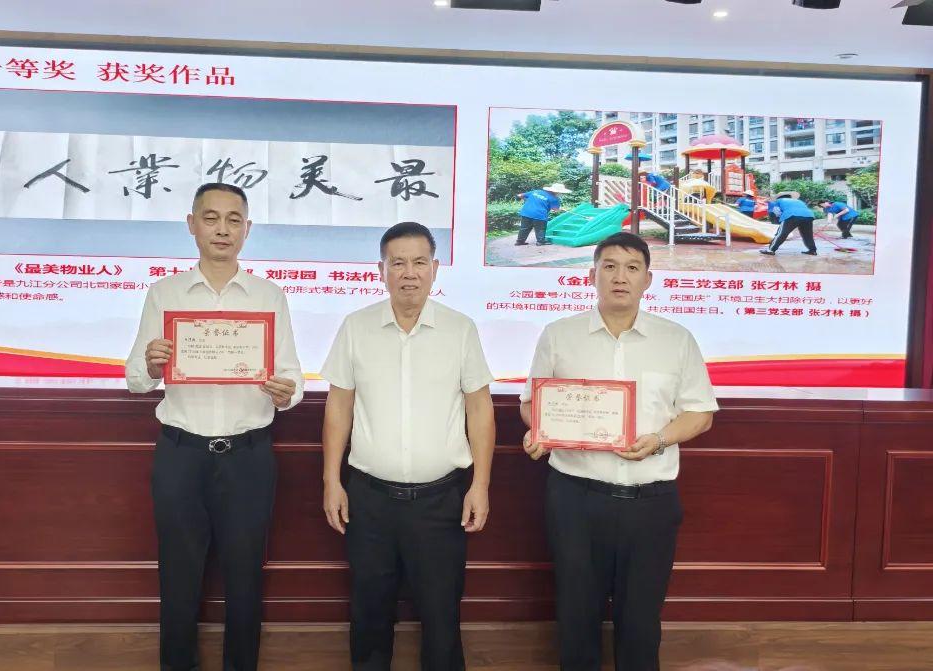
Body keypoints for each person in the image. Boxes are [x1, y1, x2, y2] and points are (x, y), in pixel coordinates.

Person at [126, 182, 304, 671]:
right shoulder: (164, 293)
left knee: (245, 577)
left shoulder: (269, 296)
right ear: (192, 225)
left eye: (233, 219)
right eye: (211, 218)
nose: (222, 229)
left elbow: (293, 380)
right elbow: (136, 380)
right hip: (180, 455)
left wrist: (286, 392)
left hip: (248, 456)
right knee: (178, 577)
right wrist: (151, 363)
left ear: (247, 229)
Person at [520, 231, 718, 671]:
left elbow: (700, 413)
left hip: (650, 501)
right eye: (609, 267)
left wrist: (659, 440)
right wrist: (539, 432)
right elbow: (532, 404)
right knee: (576, 614)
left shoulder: (676, 339)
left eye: (632, 268)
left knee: (641, 619)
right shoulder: (559, 335)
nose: (619, 277)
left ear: (648, 279)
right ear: (592, 275)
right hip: (575, 497)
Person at [321, 221, 496, 670]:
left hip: (440, 500)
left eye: (419, 262)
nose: (409, 273)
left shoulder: (460, 329)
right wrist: (331, 481)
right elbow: (339, 407)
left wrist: (480, 485)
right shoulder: (356, 327)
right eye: (397, 263)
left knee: (441, 611)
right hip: (369, 498)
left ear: (435, 269)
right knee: (369, 608)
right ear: (381, 270)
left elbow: (479, 409)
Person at [760, 192, 817, 256]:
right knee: (807, 235)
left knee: (782, 234)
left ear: (779, 197)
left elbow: (777, 212)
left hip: (791, 215)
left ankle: (771, 250)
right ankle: (812, 250)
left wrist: (779, 219)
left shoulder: (779, 201)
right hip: (809, 215)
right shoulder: (799, 201)